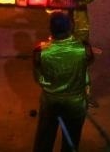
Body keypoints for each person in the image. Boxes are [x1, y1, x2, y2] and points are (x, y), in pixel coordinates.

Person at [32, 11, 90, 152]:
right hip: (76, 102)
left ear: (50, 29)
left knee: (45, 137)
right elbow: (88, 63)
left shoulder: (41, 51)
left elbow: (37, 76)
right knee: (72, 138)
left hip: (50, 101)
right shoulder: (83, 48)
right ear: (70, 27)